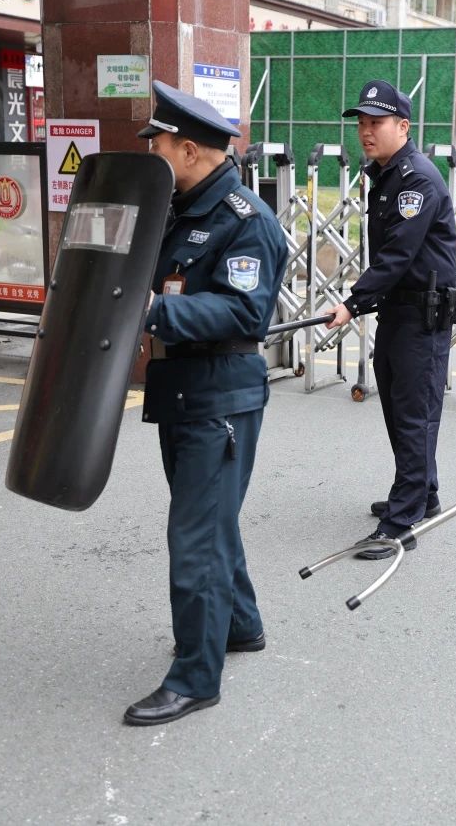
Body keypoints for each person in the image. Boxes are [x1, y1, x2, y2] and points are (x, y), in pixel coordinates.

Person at [122, 81, 288, 725]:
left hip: (219, 397)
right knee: (212, 522)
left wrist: (155, 310)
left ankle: (196, 677)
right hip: (185, 390)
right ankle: (239, 625)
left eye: (159, 145)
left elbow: (244, 311)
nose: (152, 154)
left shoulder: (246, 221)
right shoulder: (183, 209)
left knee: (195, 537)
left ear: (189, 150)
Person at [321, 79, 456, 560]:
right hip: (399, 312)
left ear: (403, 126)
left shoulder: (417, 180)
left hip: (421, 316)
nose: (365, 131)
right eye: (361, 122)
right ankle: (424, 493)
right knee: (403, 411)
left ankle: (400, 523)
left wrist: (353, 303)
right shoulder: (386, 174)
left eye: (375, 122)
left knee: (414, 414)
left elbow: (398, 254)